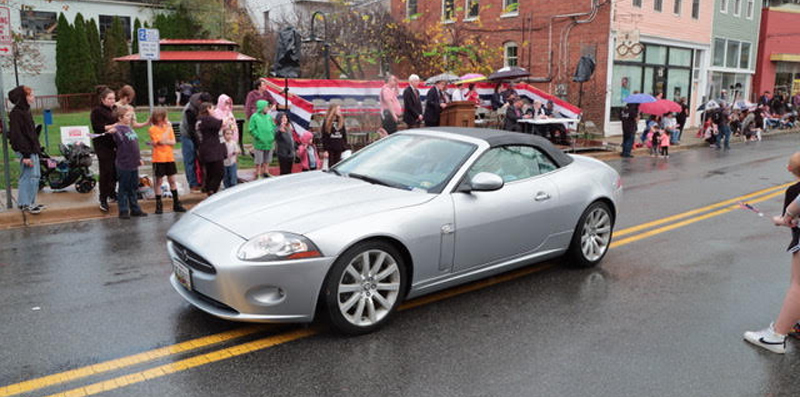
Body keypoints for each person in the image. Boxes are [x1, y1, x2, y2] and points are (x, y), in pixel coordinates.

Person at [744, 152, 800, 354]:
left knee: (798, 285)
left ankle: (777, 336)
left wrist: (786, 217)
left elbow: (794, 210)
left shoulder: (794, 190)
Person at [8, 86, 44, 214]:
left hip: (32, 149)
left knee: (35, 176)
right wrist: (26, 155)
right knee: (28, 176)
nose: (33, 97)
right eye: (30, 95)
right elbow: (18, 136)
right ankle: (25, 203)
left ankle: (31, 202)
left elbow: (30, 133)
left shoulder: (26, 111)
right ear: (23, 98)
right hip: (26, 151)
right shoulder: (17, 114)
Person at [107, 105, 145, 219]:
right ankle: (123, 210)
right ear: (120, 118)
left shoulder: (129, 128)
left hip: (134, 163)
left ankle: (135, 209)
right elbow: (119, 140)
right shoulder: (118, 130)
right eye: (127, 115)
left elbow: (134, 146)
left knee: (133, 187)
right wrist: (113, 132)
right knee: (124, 188)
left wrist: (139, 158)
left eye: (130, 115)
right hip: (124, 164)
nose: (130, 117)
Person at [148, 108, 186, 214]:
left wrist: (166, 139)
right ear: (160, 118)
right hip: (159, 158)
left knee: (172, 180)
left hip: (169, 157)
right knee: (159, 181)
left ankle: (176, 203)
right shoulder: (153, 129)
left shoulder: (167, 128)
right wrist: (168, 131)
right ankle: (159, 205)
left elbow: (173, 142)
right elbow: (160, 141)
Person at [90, 86, 119, 212]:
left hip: (114, 143)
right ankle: (103, 198)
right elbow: (98, 127)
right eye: (109, 98)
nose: (112, 101)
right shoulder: (97, 111)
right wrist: (114, 126)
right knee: (106, 170)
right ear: (102, 99)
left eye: (114, 98)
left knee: (114, 169)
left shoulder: (115, 109)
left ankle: (112, 193)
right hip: (102, 145)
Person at [180, 92, 211, 192]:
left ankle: (204, 182)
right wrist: (198, 146)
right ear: (199, 102)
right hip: (188, 135)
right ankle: (193, 184)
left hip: (200, 135)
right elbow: (192, 130)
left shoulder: (205, 105)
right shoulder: (190, 110)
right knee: (190, 159)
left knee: (203, 160)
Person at [196, 102, 226, 195]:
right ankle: (212, 190)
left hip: (204, 149)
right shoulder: (208, 119)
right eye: (212, 108)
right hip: (212, 150)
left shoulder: (199, 120)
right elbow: (222, 123)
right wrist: (227, 118)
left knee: (209, 172)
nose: (214, 111)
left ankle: (207, 188)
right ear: (208, 109)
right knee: (219, 172)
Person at [249, 99, 277, 178]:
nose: (268, 108)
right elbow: (251, 129)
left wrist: (273, 135)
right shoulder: (254, 117)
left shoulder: (268, 117)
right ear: (261, 107)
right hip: (260, 142)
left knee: (267, 158)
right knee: (259, 160)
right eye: (266, 106)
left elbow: (273, 126)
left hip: (269, 141)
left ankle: (266, 171)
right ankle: (258, 173)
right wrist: (258, 136)